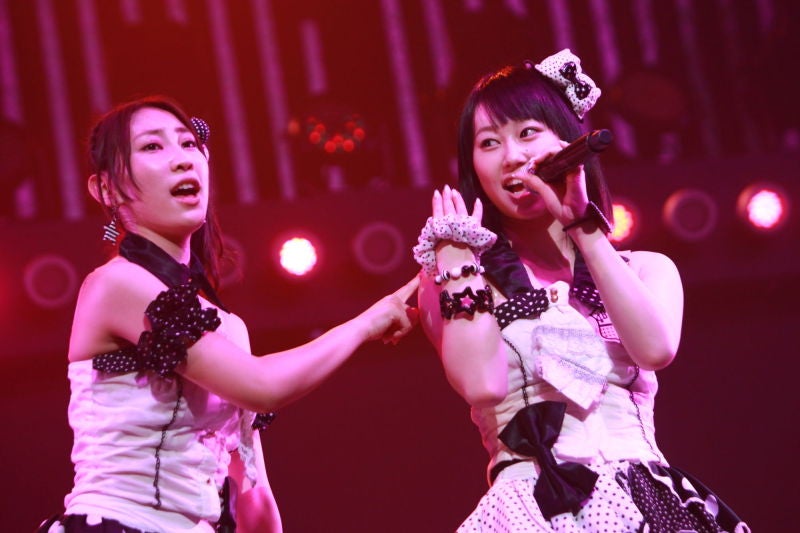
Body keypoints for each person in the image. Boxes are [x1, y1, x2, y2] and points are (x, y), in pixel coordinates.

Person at [38, 96, 418, 533]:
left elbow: (254, 496)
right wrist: (366, 323)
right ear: (105, 189)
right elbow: (263, 386)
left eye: (188, 143)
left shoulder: (226, 326)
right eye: (152, 147)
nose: (183, 159)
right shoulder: (115, 284)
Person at [414, 49, 749, 532]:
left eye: (528, 132)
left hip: (644, 498)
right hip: (527, 508)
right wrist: (456, 262)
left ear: (567, 142)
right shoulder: (457, 279)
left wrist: (583, 228)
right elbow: (481, 385)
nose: (512, 157)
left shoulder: (645, 268)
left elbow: (654, 349)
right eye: (489, 143)